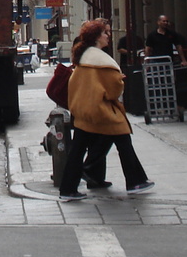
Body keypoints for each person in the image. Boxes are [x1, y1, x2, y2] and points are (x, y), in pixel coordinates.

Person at [59, 19, 155, 202]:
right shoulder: (102, 61)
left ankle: (69, 188)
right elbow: (114, 90)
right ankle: (135, 181)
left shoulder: (83, 56)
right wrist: (119, 80)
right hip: (102, 111)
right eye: (105, 33)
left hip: (83, 110)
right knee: (123, 138)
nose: (108, 36)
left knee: (78, 150)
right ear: (96, 37)